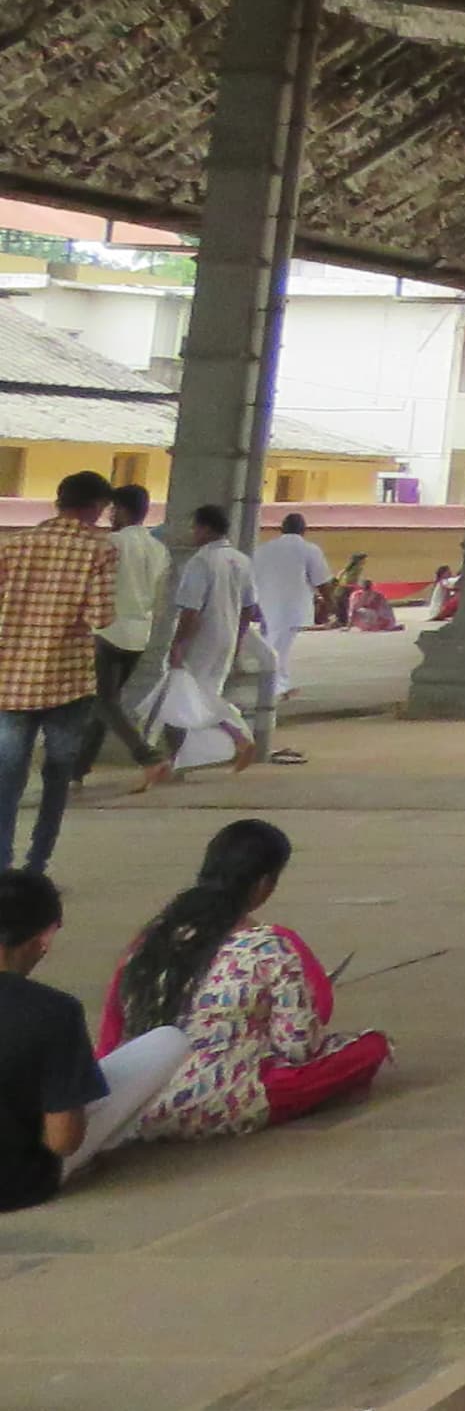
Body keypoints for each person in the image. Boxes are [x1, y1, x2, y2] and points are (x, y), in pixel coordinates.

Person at [109, 820, 390, 1137]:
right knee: (369, 1047)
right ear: (264, 885)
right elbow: (298, 1047)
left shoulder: (150, 940)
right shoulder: (269, 945)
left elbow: (113, 1031)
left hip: (135, 1104)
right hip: (223, 1098)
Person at [0, 869, 173, 1199]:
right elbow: (62, 1141)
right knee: (168, 1042)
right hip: (17, 1182)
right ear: (45, 937)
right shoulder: (54, 1011)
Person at [0, 473, 117, 870]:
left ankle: (1, 868)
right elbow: (101, 616)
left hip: (11, 680)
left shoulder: (14, 546)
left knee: (7, 781)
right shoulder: (99, 549)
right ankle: (37, 865)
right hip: (68, 683)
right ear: (97, 506)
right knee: (57, 775)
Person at [132, 505, 258, 787]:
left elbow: (191, 610)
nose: (192, 533)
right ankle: (178, 763)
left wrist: (179, 643)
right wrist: (238, 640)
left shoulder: (201, 562)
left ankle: (234, 737)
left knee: (175, 699)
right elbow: (249, 608)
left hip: (200, 640)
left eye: (195, 527)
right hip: (225, 637)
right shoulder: (241, 560)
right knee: (201, 697)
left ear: (206, 529)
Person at [91, 485, 168, 775]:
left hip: (108, 631)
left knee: (105, 701)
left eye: (113, 509)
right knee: (103, 704)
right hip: (139, 634)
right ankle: (79, 767)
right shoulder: (158, 548)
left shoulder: (111, 542)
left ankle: (145, 753)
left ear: (121, 509)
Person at [252, 512, 330, 717]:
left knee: (273, 643)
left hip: (266, 603)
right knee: (278, 647)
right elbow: (322, 582)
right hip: (292, 606)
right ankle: (274, 687)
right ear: (303, 530)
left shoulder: (263, 549)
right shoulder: (309, 549)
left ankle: (278, 684)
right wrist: (328, 606)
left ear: (282, 528)